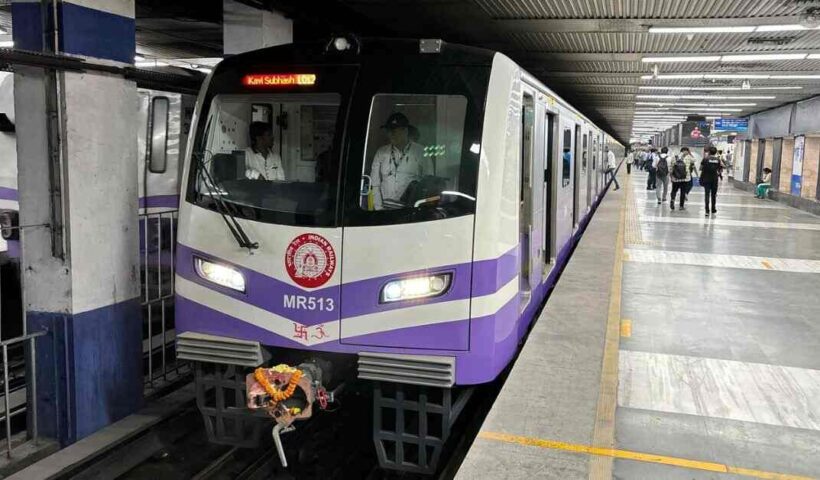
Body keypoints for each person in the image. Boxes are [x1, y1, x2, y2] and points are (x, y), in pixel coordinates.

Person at [369, 112, 430, 210]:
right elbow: (375, 184)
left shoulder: (420, 151)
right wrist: (379, 209)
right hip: (385, 209)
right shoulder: (381, 152)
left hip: (411, 210)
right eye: (388, 131)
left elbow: (428, 182)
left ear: (405, 131)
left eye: (394, 131)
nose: (390, 135)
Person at [700, 146, 722, 217]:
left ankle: (707, 210)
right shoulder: (718, 160)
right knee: (713, 195)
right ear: (715, 152)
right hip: (714, 179)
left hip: (706, 178)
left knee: (707, 194)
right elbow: (720, 169)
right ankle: (713, 209)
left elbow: (700, 168)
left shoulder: (705, 159)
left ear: (709, 152)